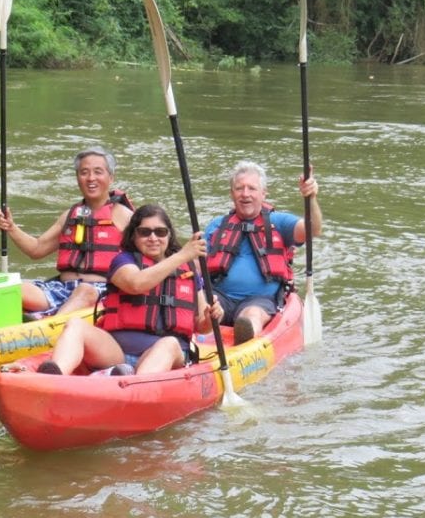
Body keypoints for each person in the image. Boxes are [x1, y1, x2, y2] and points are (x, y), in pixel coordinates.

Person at [36, 204, 223, 375]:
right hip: (116, 351)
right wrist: (182, 255)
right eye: (144, 232)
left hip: (166, 353)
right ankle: (55, 374)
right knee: (76, 324)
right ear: (133, 235)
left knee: (169, 343)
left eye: (160, 232)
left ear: (169, 235)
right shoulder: (123, 261)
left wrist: (210, 317)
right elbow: (136, 284)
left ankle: (134, 385)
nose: (153, 238)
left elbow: (201, 326)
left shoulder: (187, 269)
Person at [0, 147, 134, 320]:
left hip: (102, 292)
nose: (91, 178)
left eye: (98, 172)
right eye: (84, 172)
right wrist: (11, 227)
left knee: (85, 291)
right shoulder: (70, 215)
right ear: (77, 178)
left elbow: (149, 255)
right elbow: (37, 249)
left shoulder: (125, 215)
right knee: (14, 290)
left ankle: (49, 328)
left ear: (110, 178)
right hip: (61, 288)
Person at [205, 160, 322, 344]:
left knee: (250, 316)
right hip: (220, 296)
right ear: (231, 194)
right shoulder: (216, 226)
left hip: (260, 300)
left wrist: (311, 198)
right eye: (239, 188)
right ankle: (201, 334)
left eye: (251, 188)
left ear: (263, 193)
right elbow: (196, 264)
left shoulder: (279, 222)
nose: (245, 194)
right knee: (205, 306)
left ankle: (244, 339)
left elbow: (313, 229)